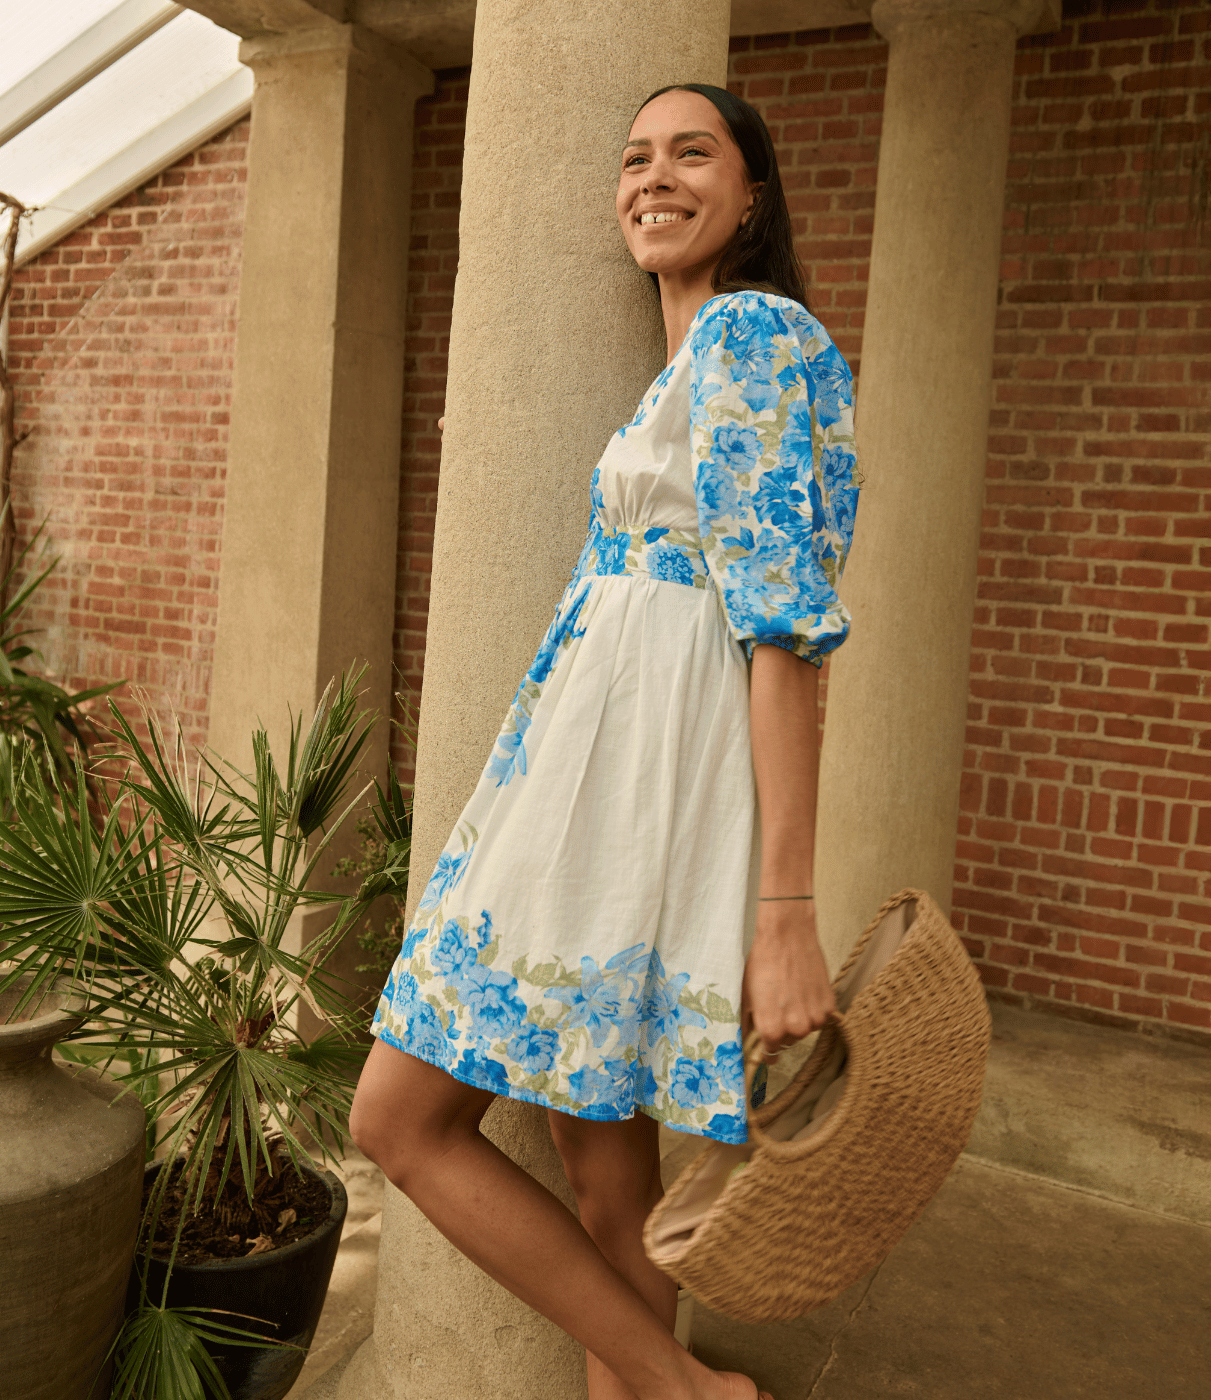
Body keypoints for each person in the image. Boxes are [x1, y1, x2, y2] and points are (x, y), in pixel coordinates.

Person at [350, 83, 858, 1400]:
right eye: (635, 158)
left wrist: (785, 911)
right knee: (601, 1161)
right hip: (604, 771)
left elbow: (786, 630)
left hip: (633, 783)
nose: (654, 177)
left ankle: (688, 1392)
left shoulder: (751, 330)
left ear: (753, 193)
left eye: (693, 153)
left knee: (398, 1120)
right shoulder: (688, 366)